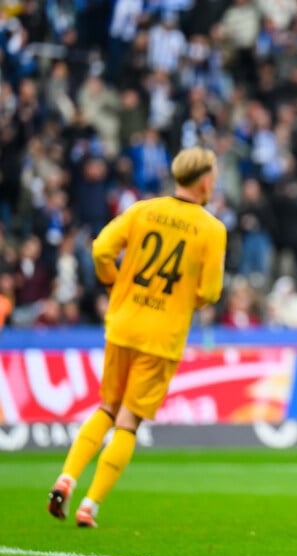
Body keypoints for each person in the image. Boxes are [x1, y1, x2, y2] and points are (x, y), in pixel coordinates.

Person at [47, 147, 226, 528]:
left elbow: (100, 249)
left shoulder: (143, 210)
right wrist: (180, 300)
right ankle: (89, 505)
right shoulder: (212, 229)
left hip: (123, 323)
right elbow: (209, 293)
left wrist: (114, 281)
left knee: (106, 406)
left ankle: (67, 476)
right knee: (127, 422)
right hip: (162, 336)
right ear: (205, 180)